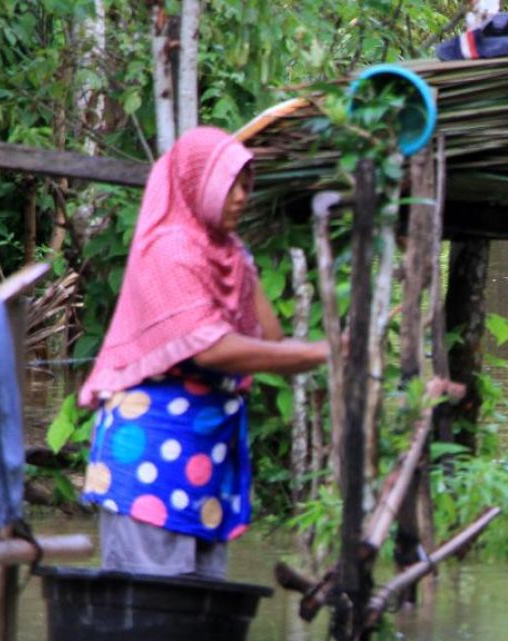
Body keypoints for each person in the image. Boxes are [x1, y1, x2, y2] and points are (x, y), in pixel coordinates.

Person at [78, 126, 330, 580]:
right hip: (152, 451)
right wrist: (317, 353)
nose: (240, 197)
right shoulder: (169, 250)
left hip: (202, 451)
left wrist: (243, 266)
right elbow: (211, 348)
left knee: (198, 602)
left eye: (245, 185)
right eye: (229, 184)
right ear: (197, 184)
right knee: (148, 598)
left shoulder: (227, 254)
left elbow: (269, 341)